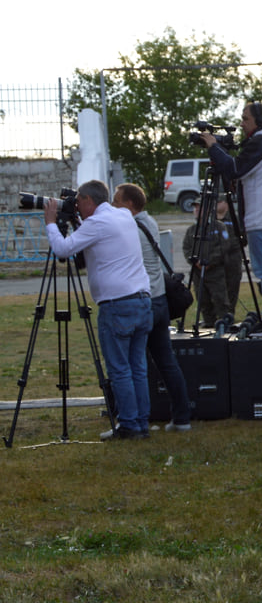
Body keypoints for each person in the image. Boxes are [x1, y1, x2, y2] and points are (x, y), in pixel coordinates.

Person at [43, 181, 152, 440]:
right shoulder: (123, 215)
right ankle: (141, 423)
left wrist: (50, 221)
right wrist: (75, 218)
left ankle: (128, 425)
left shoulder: (96, 224)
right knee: (138, 367)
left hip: (117, 305)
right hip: (141, 300)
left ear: (90, 201)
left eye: (79, 201)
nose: (77, 206)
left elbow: (62, 249)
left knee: (120, 369)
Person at [201, 101, 262, 333]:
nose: (241, 124)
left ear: (258, 122)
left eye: (245, 119)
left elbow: (234, 169)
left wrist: (213, 147)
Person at [113, 183, 192, 432]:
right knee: (166, 362)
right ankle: (181, 418)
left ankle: (133, 420)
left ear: (128, 205)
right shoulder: (150, 222)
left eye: (116, 202)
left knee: (132, 363)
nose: (113, 206)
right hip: (159, 299)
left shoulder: (131, 229)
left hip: (143, 300)